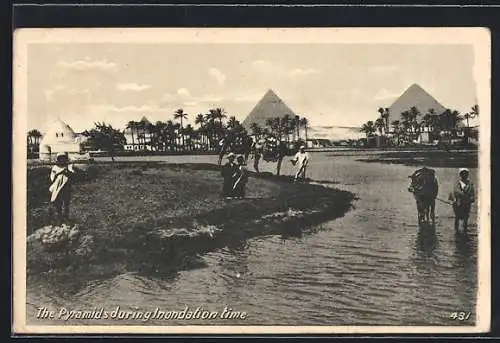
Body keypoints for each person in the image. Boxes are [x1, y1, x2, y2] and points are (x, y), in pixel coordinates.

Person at [48, 152, 76, 224]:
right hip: (58, 188)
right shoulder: (55, 168)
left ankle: (66, 217)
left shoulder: (68, 167)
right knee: (58, 203)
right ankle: (59, 217)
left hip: (66, 187)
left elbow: (72, 175)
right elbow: (52, 178)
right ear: (58, 159)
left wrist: (67, 172)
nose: (62, 160)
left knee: (66, 203)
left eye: (64, 158)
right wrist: (60, 173)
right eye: (60, 158)